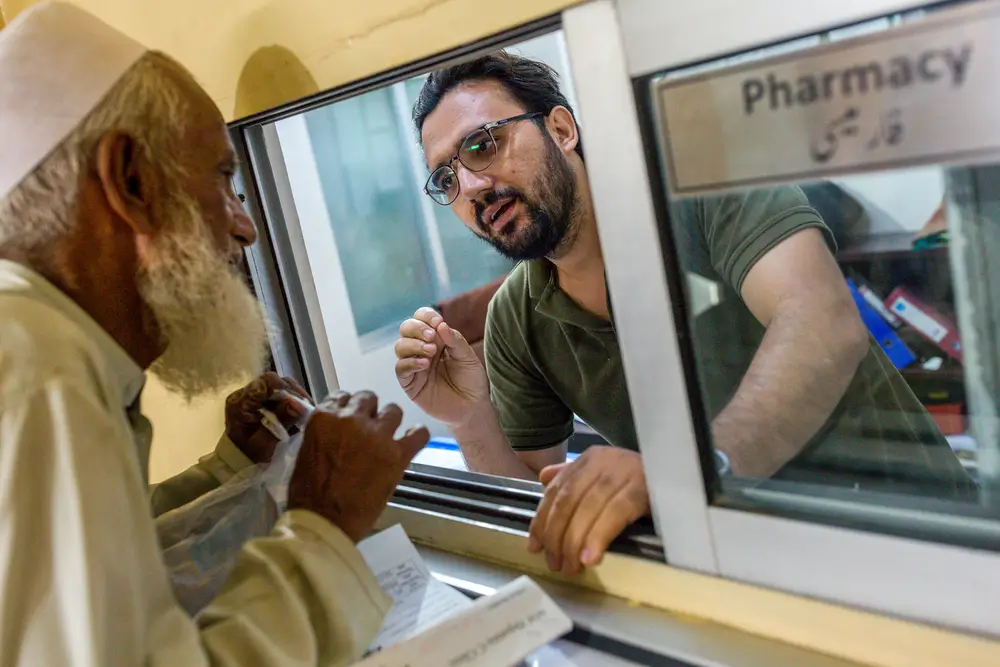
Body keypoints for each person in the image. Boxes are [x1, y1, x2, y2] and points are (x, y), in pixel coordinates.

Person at [394, 52, 975, 577]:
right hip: (732, 569)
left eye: (482, 144)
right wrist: (469, 418)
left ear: (562, 129)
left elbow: (821, 321)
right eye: (446, 177)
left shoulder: (700, 189)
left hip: (909, 533)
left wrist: (690, 473)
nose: (471, 186)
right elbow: (538, 510)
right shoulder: (514, 319)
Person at [0, 3, 429, 665]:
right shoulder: (40, 365)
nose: (245, 227)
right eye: (224, 179)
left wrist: (223, 472)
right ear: (132, 181)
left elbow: (88, 576)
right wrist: (323, 528)